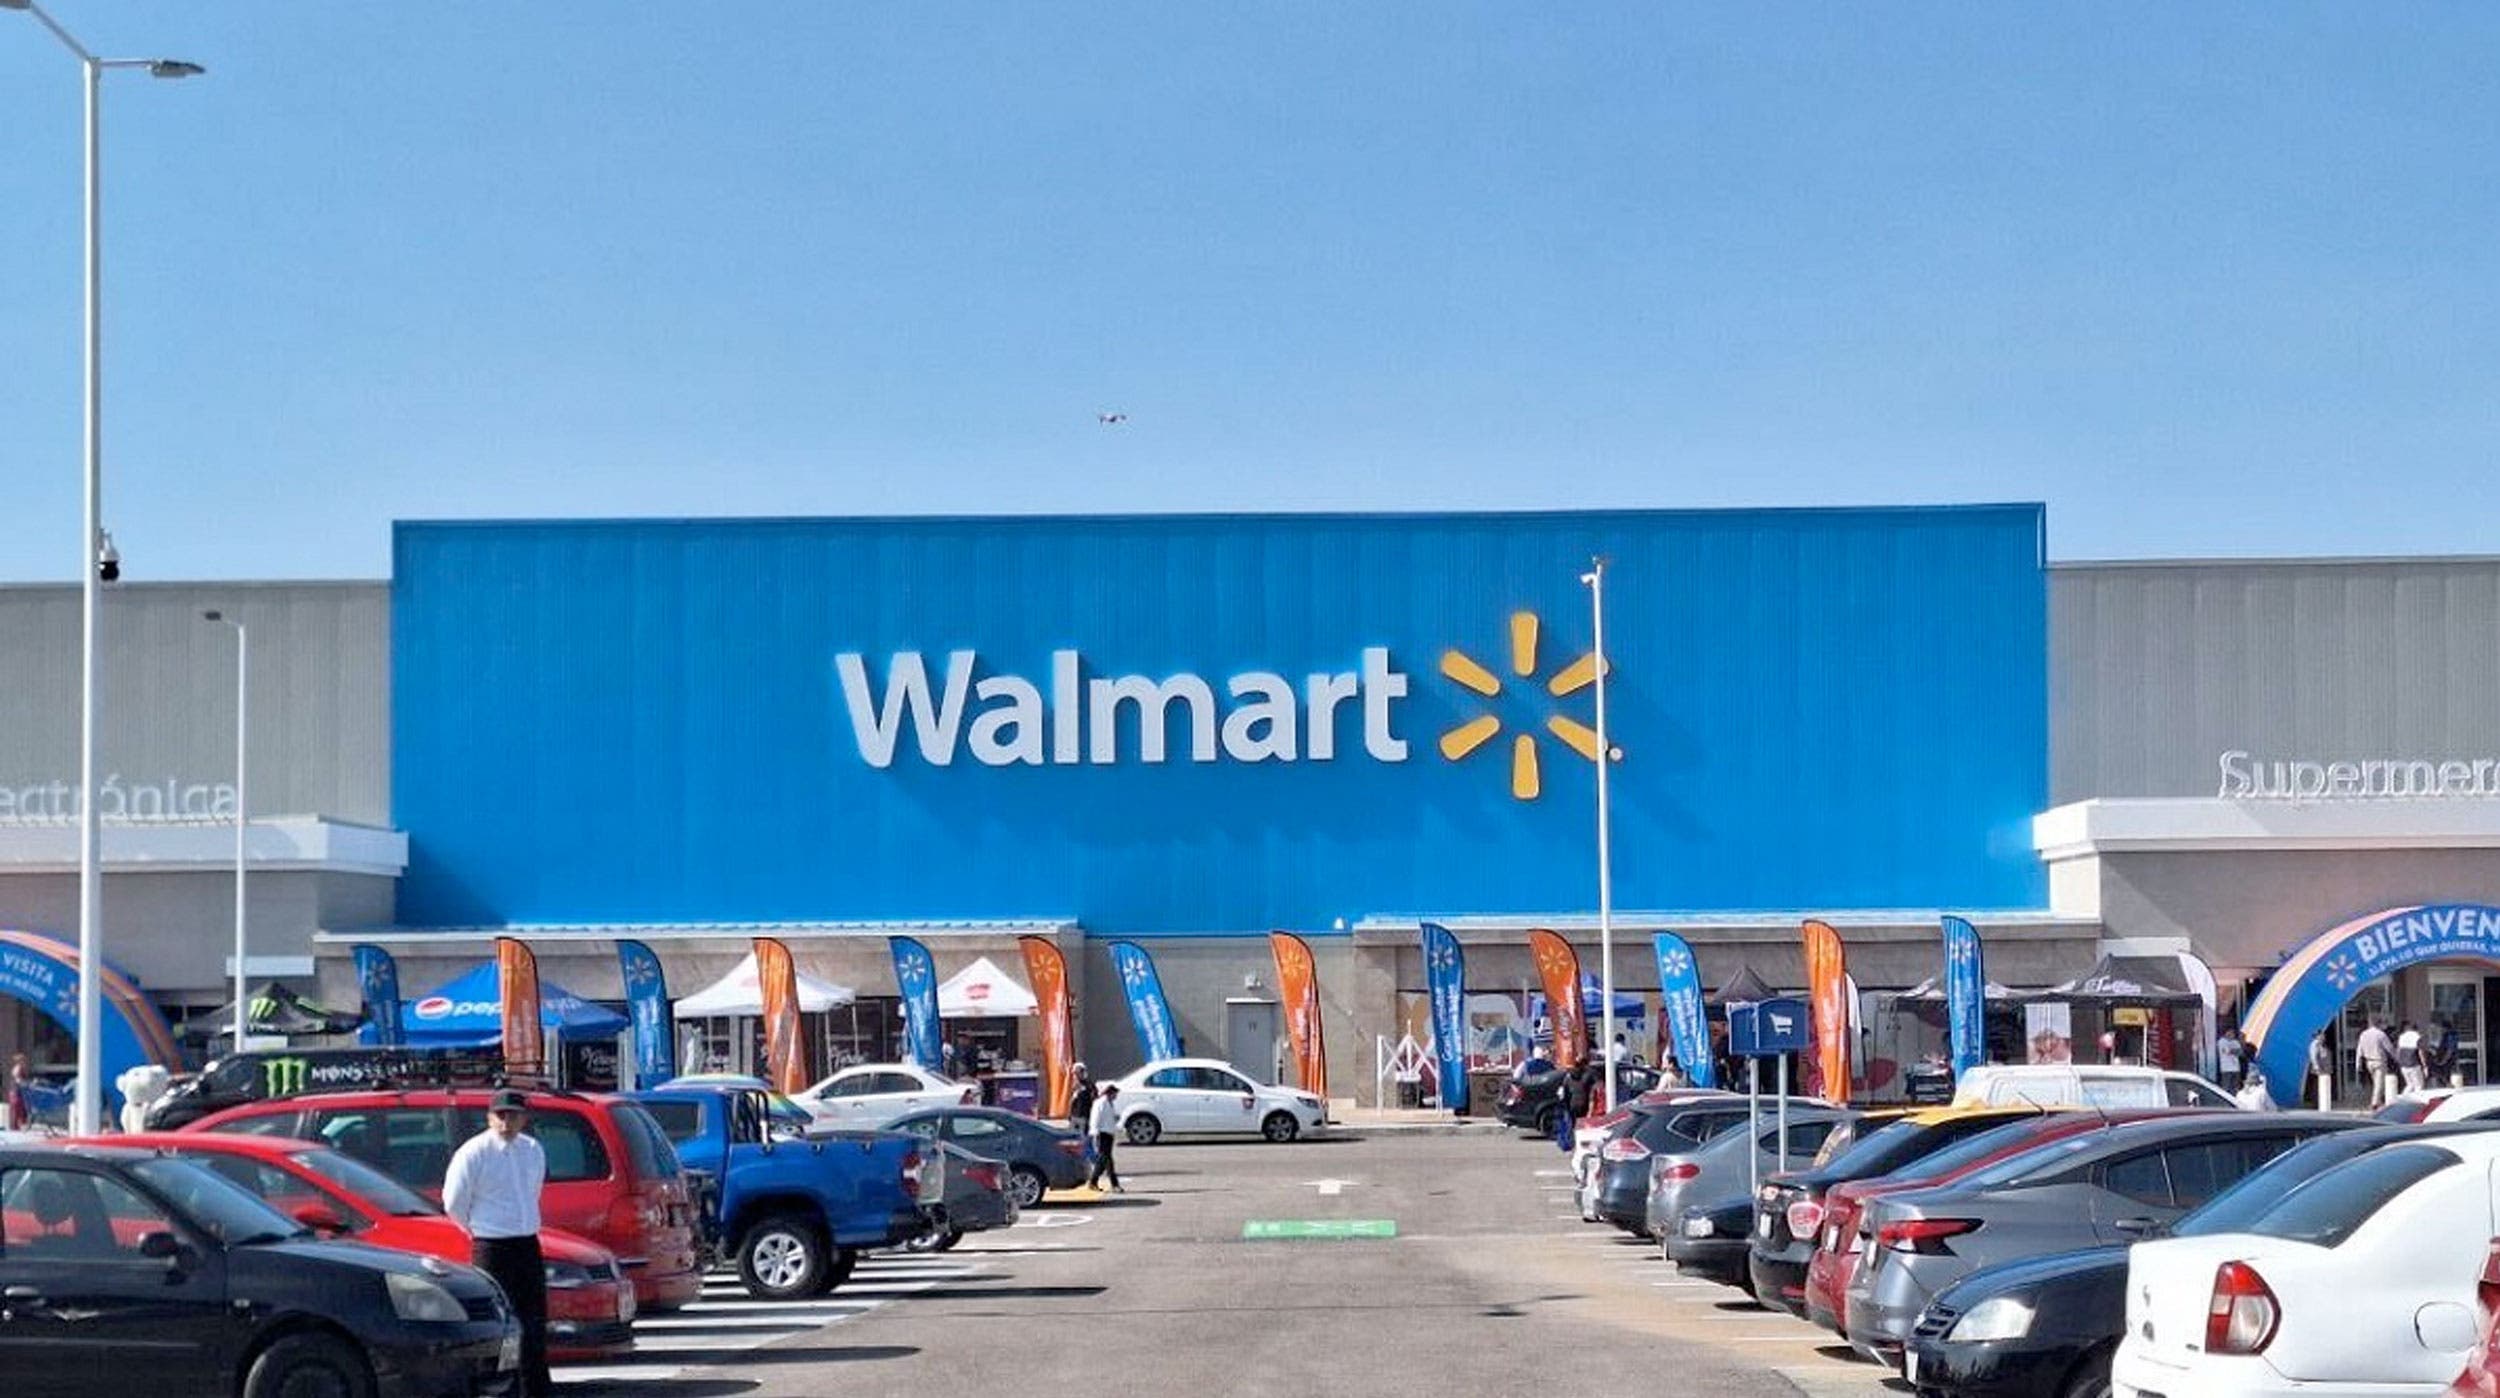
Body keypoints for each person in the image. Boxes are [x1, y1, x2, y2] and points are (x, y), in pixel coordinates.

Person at [446, 1089, 551, 1398]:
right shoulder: (473, 1152)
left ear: (523, 1119)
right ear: (489, 1118)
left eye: (513, 1115)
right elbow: (454, 1202)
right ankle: (502, 1388)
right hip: (492, 1246)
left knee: (534, 1320)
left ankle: (535, 1388)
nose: (506, 1122)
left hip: (526, 1243)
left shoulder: (532, 1149)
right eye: (500, 1115)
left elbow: (532, 1192)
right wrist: (476, 1229)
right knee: (501, 1321)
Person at [2356, 1015, 2399, 1110]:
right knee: (2379, 1083)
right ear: (2378, 1023)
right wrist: (2397, 1058)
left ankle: (2378, 1102)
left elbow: (2359, 1049)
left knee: (2376, 1083)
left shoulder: (2363, 1034)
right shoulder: (2381, 1034)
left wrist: (2358, 1063)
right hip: (2379, 1061)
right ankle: (2374, 1103)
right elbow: (2389, 1048)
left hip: (2368, 1062)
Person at [1086, 1083, 1123, 1192]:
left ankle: (1093, 1181)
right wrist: (1095, 1133)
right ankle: (1114, 1184)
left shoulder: (1109, 1103)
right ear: (1109, 1093)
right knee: (1108, 1160)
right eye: (1114, 1093)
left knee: (1101, 1161)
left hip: (1109, 1134)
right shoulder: (1101, 1103)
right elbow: (1095, 1119)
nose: (1116, 1096)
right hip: (1102, 1134)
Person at [2430, 1018, 2462, 1089]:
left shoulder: (2450, 1035)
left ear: (2445, 1028)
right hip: (2445, 1058)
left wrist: (2443, 1061)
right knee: (2442, 1076)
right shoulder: (2447, 1035)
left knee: (2446, 1076)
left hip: (2448, 1060)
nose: (2440, 1029)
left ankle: (2449, 1088)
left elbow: (2450, 1049)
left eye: (2441, 1028)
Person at [2397, 1020, 2427, 1094]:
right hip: (2414, 1064)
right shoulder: (2417, 1037)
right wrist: (2424, 1065)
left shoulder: (2402, 1036)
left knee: (2409, 1085)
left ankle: (2403, 1098)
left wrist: (2399, 1062)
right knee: (2418, 1086)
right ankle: (2418, 1100)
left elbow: (2398, 1050)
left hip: (2403, 1065)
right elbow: (2420, 1052)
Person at [2308, 1030, 2335, 1111]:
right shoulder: (2315, 1044)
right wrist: (2316, 1067)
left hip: (2323, 1070)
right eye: (2322, 1035)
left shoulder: (2321, 1044)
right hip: (2319, 1070)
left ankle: (2319, 1102)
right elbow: (2313, 1056)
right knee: (2317, 1087)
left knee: (2319, 1087)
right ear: (2318, 1036)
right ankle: (2316, 1103)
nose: (2324, 1037)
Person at [4, 1053, 30, 1131]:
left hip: (16, 1091)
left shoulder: (18, 1068)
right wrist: (26, 1084)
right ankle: (14, 1126)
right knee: (16, 1108)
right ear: (20, 1061)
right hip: (16, 1091)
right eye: (23, 1060)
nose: (24, 1062)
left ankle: (16, 1125)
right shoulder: (18, 1068)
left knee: (18, 1108)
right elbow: (18, 1080)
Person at [1067, 1063, 1097, 1128]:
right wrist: (1069, 1113)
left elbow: (1094, 1098)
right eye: (1075, 1074)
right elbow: (1072, 1100)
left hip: (1084, 1115)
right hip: (1074, 1115)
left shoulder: (1089, 1085)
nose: (1076, 1076)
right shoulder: (1074, 1085)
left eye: (1078, 1073)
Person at [2215, 1028, 2244, 1092]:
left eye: (2233, 1033)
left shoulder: (2235, 1042)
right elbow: (2228, 1051)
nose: (2232, 1034)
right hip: (2226, 1069)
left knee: (2235, 1088)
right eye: (2230, 1032)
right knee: (2226, 1087)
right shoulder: (2221, 1041)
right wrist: (2235, 1051)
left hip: (2236, 1068)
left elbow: (2240, 1053)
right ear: (2226, 1033)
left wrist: (2235, 1051)